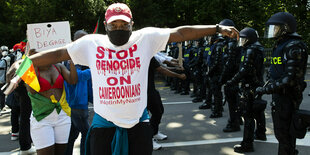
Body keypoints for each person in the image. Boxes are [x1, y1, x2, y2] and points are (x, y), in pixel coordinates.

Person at [7, 3, 239, 155]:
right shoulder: (91, 44)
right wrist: (23, 62)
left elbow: (180, 32)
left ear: (131, 25)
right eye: (114, 25)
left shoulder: (145, 38)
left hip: (138, 125)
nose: (119, 28)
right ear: (106, 26)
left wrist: (216, 28)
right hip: (104, 126)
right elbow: (59, 53)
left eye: (123, 24)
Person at [256, 12, 308, 155]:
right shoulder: (281, 44)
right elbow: (276, 70)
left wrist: (266, 89)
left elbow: (289, 79)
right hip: (280, 96)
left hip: (288, 96)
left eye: (276, 27)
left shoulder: (294, 46)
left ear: (286, 28)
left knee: (285, 134)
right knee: (282, 133)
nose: (273, 31)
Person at [22, 50, 77, 155]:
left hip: (62, 116)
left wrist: (72, 62)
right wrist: (32, 62)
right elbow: (32, 90)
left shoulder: (58, 67)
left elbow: (73, 80)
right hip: (42, 118)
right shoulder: (30, 68)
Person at [225, 27, 265, 153]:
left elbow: (244, 70)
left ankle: (247, 144)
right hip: (257, 84)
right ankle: (260, 133)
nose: (241, 42)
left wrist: (232, 81)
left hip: (249, 86)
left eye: (243, 39)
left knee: (248, 115)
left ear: (249, 39)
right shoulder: (258, 48)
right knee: (257, 111)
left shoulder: (250, 50)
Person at [147, 57, 186, 150]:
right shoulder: (143, 53)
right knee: (146, 118)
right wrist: (178, 75)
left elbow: (160, 66)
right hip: (143, 91)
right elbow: (161, 70)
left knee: (159, 111)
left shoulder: (150, 54)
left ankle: (154, 133)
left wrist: (175, 69)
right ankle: (149, 140)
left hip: (151, 89)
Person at [64, 30, 91, 155]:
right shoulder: (70, 57)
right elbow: (76, 77)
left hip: (79, 102)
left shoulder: (83, 56)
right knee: (87, 133)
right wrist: (93, 70)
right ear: (74, 41)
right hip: (76, 103)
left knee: (72, 135)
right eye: (82, 40)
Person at [217, 19, 242, 132]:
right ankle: (238, 119)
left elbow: (229, 63)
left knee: (232, 101)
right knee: (235, 100)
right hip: (234, 75)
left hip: (231, 76)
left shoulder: (231, 43)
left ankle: (234, 123)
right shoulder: (234, 41)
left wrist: (222, 78)